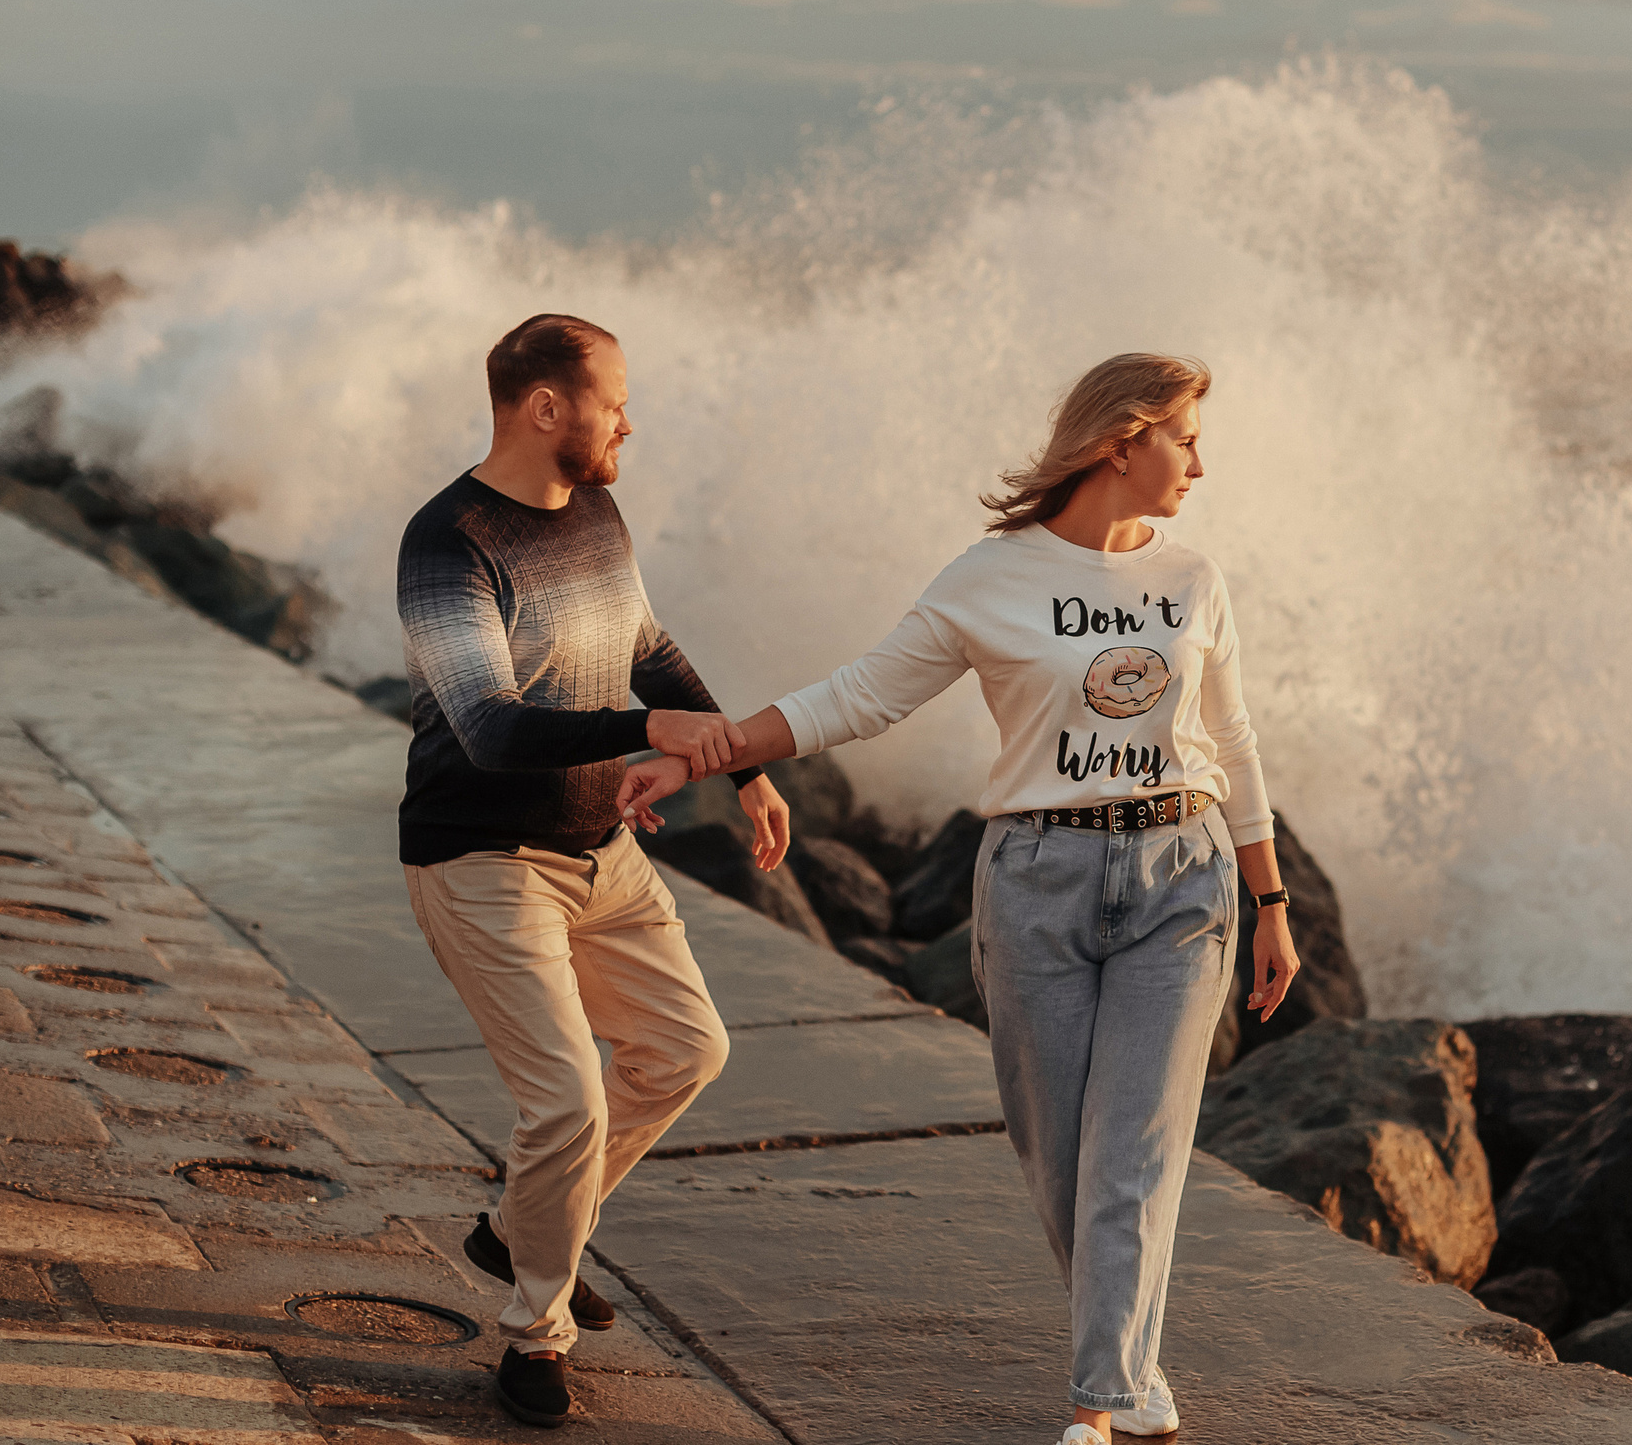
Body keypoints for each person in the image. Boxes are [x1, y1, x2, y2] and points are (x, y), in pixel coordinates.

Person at [616, 352, 1300, 1445]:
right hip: (1038, 879)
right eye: (1185, 438)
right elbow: (862, 692)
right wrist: (715, 754)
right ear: (1122, 440)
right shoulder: (992, 575)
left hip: (1185, 875)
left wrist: (1270, 901)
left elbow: (1234, 739)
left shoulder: (1193, 578)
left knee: (1135, 1149)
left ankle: (1094, 1410)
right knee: (1059, 1153)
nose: (1200, 463)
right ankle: (1130, 1366)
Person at [396, 312, 791, 1428]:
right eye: (615, 399)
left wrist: (740, 762)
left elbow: (649, 646)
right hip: (480, 856)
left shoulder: (599, 510)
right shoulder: (448, 541)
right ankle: (536, 1328)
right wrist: (643, 726)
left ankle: (523, 1227)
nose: (630, 419)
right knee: (564, 1098)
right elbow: (487, 726)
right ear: (546, 408)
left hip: (599, 850)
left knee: (687, 1048)